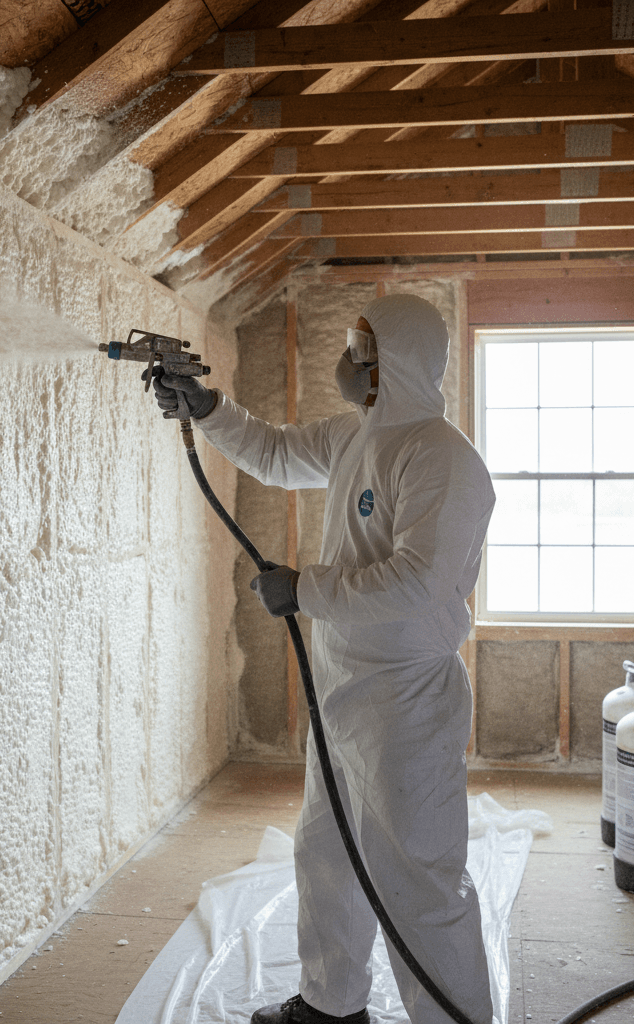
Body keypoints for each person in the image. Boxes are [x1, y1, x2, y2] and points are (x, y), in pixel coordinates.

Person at [151, 293, 496, 1024]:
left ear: (394, 361)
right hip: (343, 685)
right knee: (327, 852)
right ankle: (330, 1004)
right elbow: (275, 454)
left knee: (417, 876)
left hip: (405, 698)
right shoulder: (356, 436)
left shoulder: (442, 459)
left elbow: (420, 581)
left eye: (359, 348)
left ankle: (454, 1018)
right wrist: (206, 408)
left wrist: (304, 589)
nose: (345, 361)